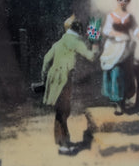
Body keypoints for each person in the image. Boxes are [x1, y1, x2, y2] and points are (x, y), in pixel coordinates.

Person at [42, 16, 99, 155]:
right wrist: (95, 44)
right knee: (64, 111)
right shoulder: (75, 41)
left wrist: (44, 79)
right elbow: (91, 56)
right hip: (64, 78)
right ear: (78, 29)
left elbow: (46, 59)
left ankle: (61, 140)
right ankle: (64, 145)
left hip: (53, 78)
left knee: (60, 111)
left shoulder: (59, 42)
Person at [100, 0, 139, 115]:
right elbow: (106, 30)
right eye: (120, 0)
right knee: (115, 73)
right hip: (113, 48)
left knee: (125, 74)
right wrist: (117, 34)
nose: (122, 2)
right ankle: (118, 103)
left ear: (128, 2)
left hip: (126, 50)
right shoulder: (111, 16)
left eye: (125, 0)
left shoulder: (130, 17)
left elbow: (135, 30)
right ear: (117, 0)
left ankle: (123, 102)